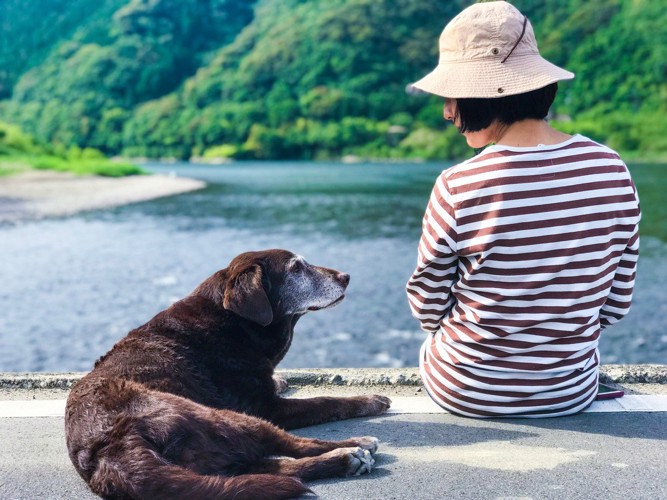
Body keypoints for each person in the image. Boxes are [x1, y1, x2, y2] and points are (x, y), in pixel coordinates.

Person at [406, 1, 641, 418]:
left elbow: (427, 307)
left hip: (466, 391)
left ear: (482, 94)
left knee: (431, 345)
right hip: (569, 393)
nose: (446, 111)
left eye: (451, 95)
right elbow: (616, 304)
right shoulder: (611, 169)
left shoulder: (457, 185)